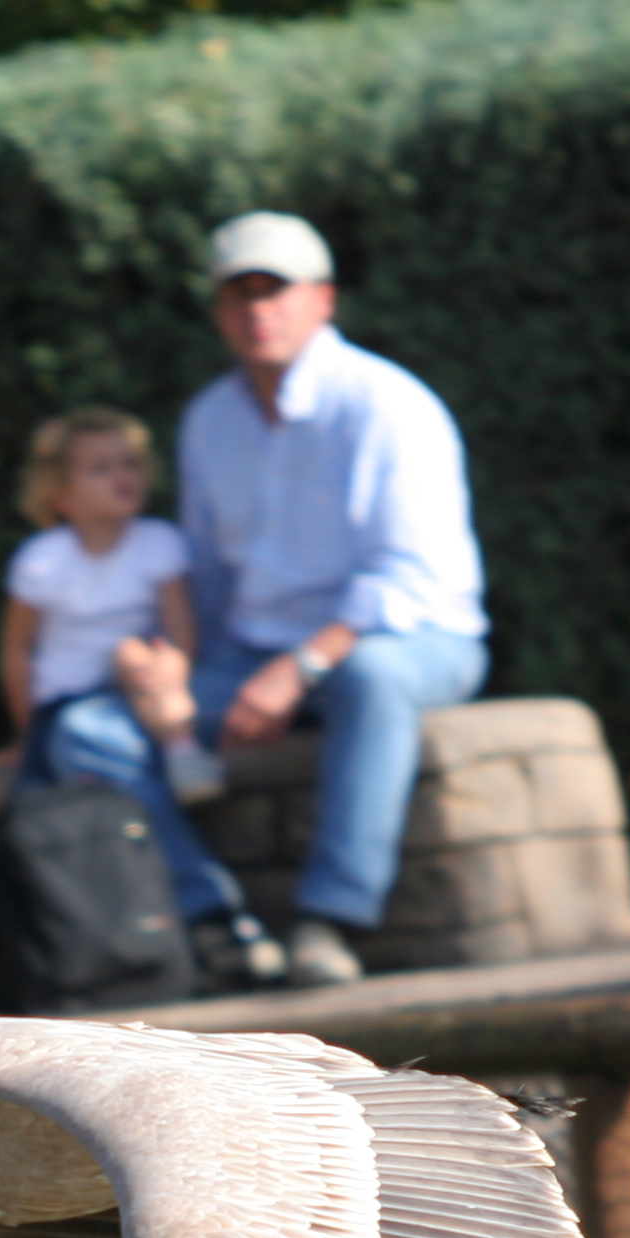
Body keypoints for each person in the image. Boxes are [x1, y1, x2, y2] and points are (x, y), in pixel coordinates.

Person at [177, 211, 490, 987]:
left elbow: (405, 577)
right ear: (219, 311)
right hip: (251, 654)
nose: (258, 307)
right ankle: (211, 924)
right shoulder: (207, 422)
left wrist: (298, 667)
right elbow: (206, 578)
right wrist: (174, 683)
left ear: (323, 298)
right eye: (239, 292)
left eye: (275, 288)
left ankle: (332, 921)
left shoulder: (388, 404)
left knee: (373, 678)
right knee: (100, 727)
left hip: (414, 638)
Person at [3, 408, 287, 988]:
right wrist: (25, 735)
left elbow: (181, 635)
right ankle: (210, 913)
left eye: (130, 463)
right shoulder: (42, 561)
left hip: (145, 691)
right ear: (60, 493)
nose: (122, 476)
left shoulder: (158, 543)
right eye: (100, 467)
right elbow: (18, 651)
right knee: (101, 729)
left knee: (134, 664)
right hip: (72, 709)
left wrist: (166, 677)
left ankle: (200, 919)